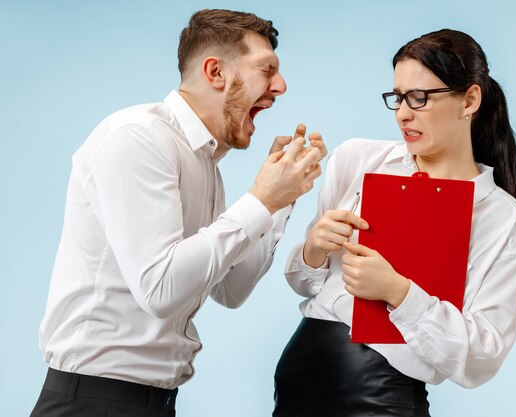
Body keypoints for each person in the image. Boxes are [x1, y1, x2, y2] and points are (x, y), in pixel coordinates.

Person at [30, 9, 326, 417]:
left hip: (155, 404)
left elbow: (231, 290)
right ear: (215, 72)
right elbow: (160, 288)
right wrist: (260, 200)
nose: (281, 85)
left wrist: (277, 202)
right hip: (94, 403)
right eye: (267, 69)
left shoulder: (204, 165)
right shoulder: (138, 139)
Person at [273, 29, 516, 417]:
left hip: (382, 398)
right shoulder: (357, 159)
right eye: (398, 97)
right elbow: (304, 285)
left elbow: (481, 355)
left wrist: (398, 291)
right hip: (296, 386)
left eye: (420, 98)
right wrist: (313, 249)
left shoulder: (496, 213)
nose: (403, 113)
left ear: (470, 99)